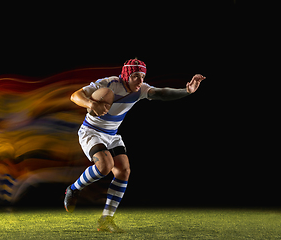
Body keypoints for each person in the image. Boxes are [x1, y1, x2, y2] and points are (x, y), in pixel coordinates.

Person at [64, 59, 205, 233]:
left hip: (111, 135)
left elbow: (161, 93)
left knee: (124, 170)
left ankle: (106, 220)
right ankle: (73, 189)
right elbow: (75, 96)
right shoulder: (109, 83)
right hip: (91, 131)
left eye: (143, 76)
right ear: (126, 75)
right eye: (135, 76)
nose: (140, 81)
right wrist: (91, 103)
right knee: (105, 166)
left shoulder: (141, 89)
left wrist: (187, 91)